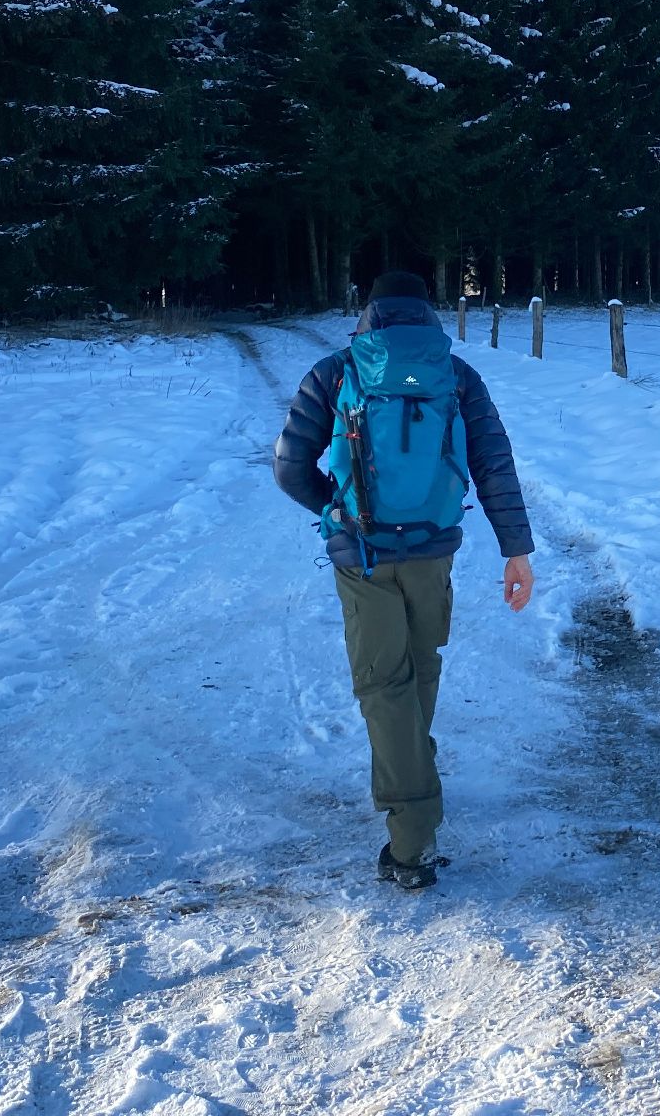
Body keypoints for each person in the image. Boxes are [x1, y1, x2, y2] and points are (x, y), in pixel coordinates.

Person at [274, 271, 535, 890]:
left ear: (368, 315)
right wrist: (516, 552)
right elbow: (493, 464)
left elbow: (289, 467)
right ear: (428, 315)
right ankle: (412, 774)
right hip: (432, 548)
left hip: (361, 553)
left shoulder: (335, 372)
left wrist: (338, 510)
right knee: (419, 670)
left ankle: (412, 838)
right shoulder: (457, 375)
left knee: (382, 684)